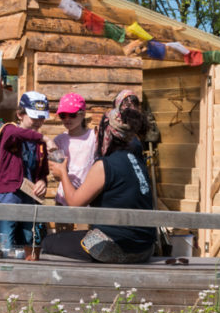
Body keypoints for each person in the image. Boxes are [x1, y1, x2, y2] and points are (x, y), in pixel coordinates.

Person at [42, 107, 156, 263]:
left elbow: (75, 203)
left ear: (104, 133)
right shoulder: (137, 160)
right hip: (145, 248)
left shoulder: (105, 165)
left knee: (48, 243)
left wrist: (63, 174)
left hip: (116, 247)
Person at [0, 92, 50, 249]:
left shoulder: (40, 143)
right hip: (8, 199)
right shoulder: (9, 131)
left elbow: (43, 172)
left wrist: (42, 182)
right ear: (20, 114)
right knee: (5, 246)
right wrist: (43, 138)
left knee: (27, 246)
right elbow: (14, 133)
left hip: (29, 200)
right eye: (34, 117)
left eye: (42, 118)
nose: (38, 122)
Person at [49, 93, 97, 205]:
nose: (67, 119)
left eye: (72, 115)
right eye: (62, 115)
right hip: (63, 199)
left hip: (88, 200)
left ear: (83, 114)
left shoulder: (94, 137)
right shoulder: (59, 140)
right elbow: (56, 176)